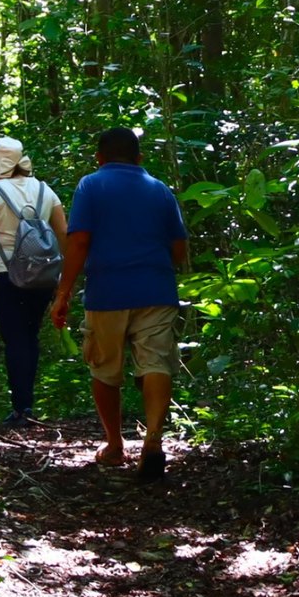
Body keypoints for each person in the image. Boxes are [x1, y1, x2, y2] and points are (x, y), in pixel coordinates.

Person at [50, 126, 190, 482]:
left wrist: (63, 294)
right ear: (139, 158)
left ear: (99, 157)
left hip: (107, 292)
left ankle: (114, 445)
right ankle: (153, 440)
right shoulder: (160, 190)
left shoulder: (91, 185)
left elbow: (79, 241)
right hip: (156, 290)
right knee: (156, 362)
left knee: (104, 368)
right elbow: (179, 249)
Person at [0, 135, 68, 429]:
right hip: (43, 274)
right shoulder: (45, 190)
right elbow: (63, 232)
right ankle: (27, 403)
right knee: (30, 335)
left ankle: (20, 408)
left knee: (14, 338)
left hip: (5, 272)